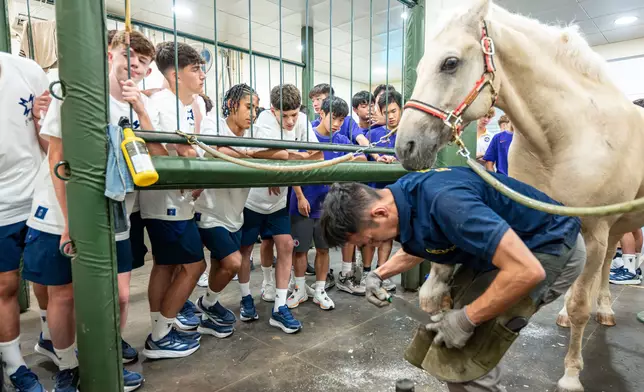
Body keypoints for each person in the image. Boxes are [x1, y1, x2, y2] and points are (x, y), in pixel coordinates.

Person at [320, 167, 585, 392]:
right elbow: (424, 241)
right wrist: (378, 274)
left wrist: (467, 318)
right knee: (444, 339)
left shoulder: (448, 203)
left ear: (379, 213)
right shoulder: (403, 196)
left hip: (548, 247)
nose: (374, 245)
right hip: (500, 254)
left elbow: (527, 271)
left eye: (371, 240)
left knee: (467, 356)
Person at [22, 30, 159, 391]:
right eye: (128, 54)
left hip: (115, 213)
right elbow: (57, 157)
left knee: (121, 294)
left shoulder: (133, 105)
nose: (136, 64)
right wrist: (70, 222)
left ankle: (107, 357)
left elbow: (157, 153)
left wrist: (142, 108)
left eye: (145, 61)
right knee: (63, 293)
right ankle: (68, 365)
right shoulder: (77, 93)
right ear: (109, 54)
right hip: (60, 209)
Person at [194, 83, 287, 337]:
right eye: (249, 107)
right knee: (234, 262)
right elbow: (218, 150)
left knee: (219, 265)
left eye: (256, 109)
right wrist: (253, 155)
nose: (253, 114)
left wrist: (249, 154)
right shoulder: (215, 123)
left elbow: (281, 154)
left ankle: (207, 314)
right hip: (209, 212)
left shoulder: (253, 132)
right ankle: (207, 303)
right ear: (233, 105)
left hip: (235, 214)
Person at [138, 41, 207, 359]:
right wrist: (192, 153)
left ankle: (160, 328)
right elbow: (184, 151)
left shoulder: (179, 105)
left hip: (168, 200)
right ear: (176, 75)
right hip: (166, 201)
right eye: (195, 69)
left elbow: (187, 149)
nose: (202, 75)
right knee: (194, 266)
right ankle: (160, 334)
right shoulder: (164, 105)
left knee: (165, 266)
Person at [239, 84, 320, 334]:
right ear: (273, 110)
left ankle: (280, 307)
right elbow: (257, 153)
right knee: (245, 250)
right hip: (252, 200)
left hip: (277, 201)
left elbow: (317, 154)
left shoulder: (302, 119)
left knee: (285, 245)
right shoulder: (263, 119)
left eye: (294, 114)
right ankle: (245, 298)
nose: (290, 121)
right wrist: (286, 158)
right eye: (284, 116)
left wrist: (283, 159)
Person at [288, 96, 367, 311]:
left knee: (323, 250)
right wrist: (300, 195)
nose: (337, 124)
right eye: (334, 118)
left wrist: (349, 158)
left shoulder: (340, 140)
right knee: (300, 251)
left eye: (342, 120)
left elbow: (362, 159)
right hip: (303, 203)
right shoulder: (306, 134)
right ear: (321, 113)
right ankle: (300, 289)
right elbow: (293, 165)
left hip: (326, 207)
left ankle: (320, 290)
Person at [0, 52, 50, 392]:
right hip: (1, 206)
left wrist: (41, 120)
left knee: (49, 279)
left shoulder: (25, 69)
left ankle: (52, 339)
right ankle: (14, 365)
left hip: (37, 195)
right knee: (5, 285)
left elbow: (51, 137)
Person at [345, 90, 403, 295]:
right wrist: (378, 158)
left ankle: (382, 274)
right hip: (372, 192)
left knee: (387, 236)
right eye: (386, 112)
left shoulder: (406, 134)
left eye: (395, 111)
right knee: (370, 235)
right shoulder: (373, 135)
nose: (392, 116)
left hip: (395, 195)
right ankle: (368, 272)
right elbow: (362, 160)